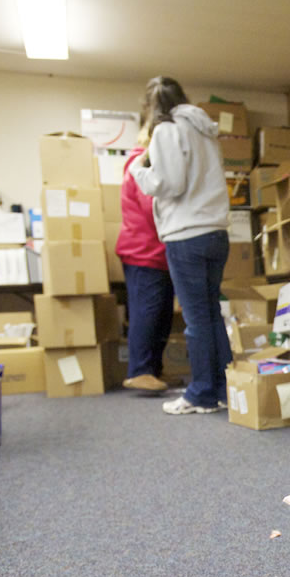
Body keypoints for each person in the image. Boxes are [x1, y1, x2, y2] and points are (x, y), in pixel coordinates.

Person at [131, 76, 232, 415]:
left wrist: (138, 171)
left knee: (196, 319)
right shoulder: (204, 129)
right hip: (216, 232)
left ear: (150, 108)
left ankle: (201, 393)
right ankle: (223, 389)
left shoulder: (166, 130)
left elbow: (168, 184)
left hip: (186, 234)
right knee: (211, 315)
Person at [116, 124, 174, 393]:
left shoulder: (148, 163)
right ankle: (139, 370)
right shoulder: (140, 162)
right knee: (146, 312)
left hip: (157, 253)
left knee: (161, 314)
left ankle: (153, 370)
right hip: (143, 251)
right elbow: (151, 206)